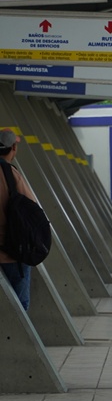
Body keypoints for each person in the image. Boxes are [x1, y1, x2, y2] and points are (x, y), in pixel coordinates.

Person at [0, 128, 37, 311]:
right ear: (13, 148)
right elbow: (32, 208)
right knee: (19, 306)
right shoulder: (12, 175)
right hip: (12, 252)